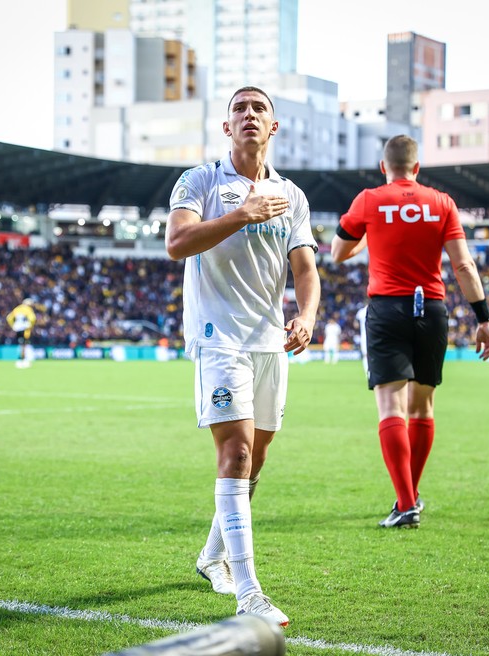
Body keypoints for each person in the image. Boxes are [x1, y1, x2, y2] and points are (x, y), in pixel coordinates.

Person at [165, 85, 321, 627]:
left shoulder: (291, 196)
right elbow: (177, 243)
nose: (249, 114)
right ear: (227, 127)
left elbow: (305, 268)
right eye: (239, 108)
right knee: (235, 455)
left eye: (259, 108)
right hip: (217, 337)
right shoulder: (200, 181)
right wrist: (242, 214)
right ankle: (250, 593)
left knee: (254, 461)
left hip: (268, 340)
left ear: (273, 127)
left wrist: (306, 315)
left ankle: (211, 557)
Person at [331, 134, 489, 529]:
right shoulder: (442, 203)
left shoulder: (369, 200)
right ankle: (410, 496)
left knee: (391, 407)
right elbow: (464, 266)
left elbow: (337, 252)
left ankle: (405, 502)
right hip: (432, 310)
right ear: (417, 168)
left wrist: (374, 234)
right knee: (423, 408)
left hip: (387, 309)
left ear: (383, 167)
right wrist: (484, 318)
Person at [6, 298, 37, 368]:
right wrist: (30, 325)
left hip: (17, 328)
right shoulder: (28, 309)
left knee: (21, 344)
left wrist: (13, 325)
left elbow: (9, 318)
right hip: (25, 328)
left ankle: (21, 359)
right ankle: (23, 360)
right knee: (24, 344)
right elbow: (33, 318)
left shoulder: (17, 308)